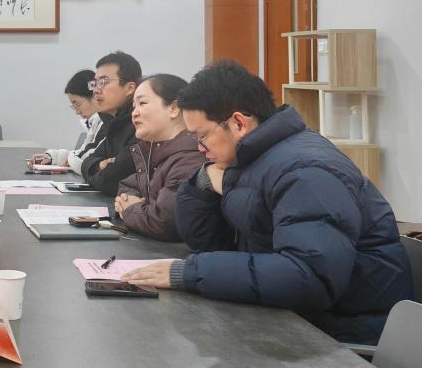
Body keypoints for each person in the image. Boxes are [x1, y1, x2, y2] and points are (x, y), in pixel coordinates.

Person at [122, 61, 412, 344]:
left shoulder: (305, 171)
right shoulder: (252, 159)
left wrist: (190, 272)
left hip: (339, 335)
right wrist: (202, 183)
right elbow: (213, 245)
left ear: (239, 123)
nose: (201, 149)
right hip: (294, 318)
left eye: (203, 136)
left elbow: (308, 277)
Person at [114, 74, 205, 241]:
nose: (134, 113)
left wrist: (129, 209)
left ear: (174, 108)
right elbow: (128, 184)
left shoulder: (190, 158)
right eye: (133, 107)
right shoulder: (156, 152)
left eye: (142, 103)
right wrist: (133, 202)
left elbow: (164, 222)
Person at [79, 51, 142, 195]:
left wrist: (97, 169)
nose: (96, 90)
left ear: (130, 88)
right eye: (94, 84)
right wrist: (99, 165)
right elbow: (86, 162)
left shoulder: (139, 124)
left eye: (103, 82)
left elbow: (110, 180)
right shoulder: (114, 121)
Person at [28, 69, 103, 173]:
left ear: (94, 96)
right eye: (73, 106)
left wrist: (70, 160)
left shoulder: (106, 123)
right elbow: (82, 153)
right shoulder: (96, 122)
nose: (77, 112)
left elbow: (86, 159)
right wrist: (53, 157)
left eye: (77, 104)